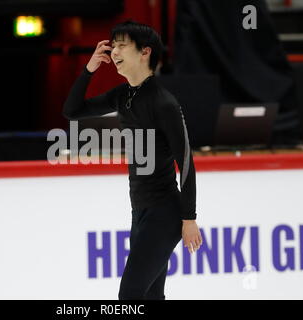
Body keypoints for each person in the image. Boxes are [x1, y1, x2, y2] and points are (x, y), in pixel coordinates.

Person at [62, 20, 203, 300]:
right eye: (113, 46)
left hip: (165, 213)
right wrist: (89, 69)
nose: (114, 52)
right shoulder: (122, 95)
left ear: (145, 52)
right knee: (150, 296)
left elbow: (185, 162)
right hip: (140, 212)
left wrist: (189, 218)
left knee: (130, 296)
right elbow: (72, 110)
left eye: (122, 45)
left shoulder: (164, 103)